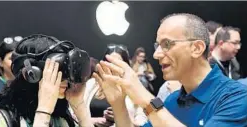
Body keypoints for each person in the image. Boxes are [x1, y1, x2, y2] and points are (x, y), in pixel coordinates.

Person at [93, 13, 247, 127]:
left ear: (197, 48)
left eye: (167, 44)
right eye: (157, 46)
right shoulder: (171, 100)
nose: (156, 54)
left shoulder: (237, 97)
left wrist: (142, 94)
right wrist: (118, 102)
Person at [0, 34, 94, 127]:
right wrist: (43, 111)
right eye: (55, 71)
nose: (64, 79)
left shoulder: (60, 120)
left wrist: (80, 107)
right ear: (32, 75)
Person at [90, 44, 148, 127]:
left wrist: (123, 116)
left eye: (118, 62)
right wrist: (95, 120)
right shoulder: (92, 84)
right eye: (109, 62)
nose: (113, 66)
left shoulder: (133, 89)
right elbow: (75, 114)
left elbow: (143, 122)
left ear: (126, 65)